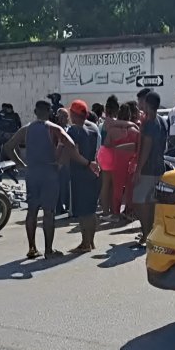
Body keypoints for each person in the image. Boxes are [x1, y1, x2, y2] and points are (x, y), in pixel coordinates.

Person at [5, 100, 77, 259]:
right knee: (48, 212)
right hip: (49, 173)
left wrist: (21, 164)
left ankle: (32, 248)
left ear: (35, 112)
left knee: (32, 211)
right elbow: (71, 144)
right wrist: (61, 163)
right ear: (49, 112)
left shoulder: (26, 129)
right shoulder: (54, 128)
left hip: (32, 173)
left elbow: (8, 147)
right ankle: (48, 250)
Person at [65, 100, 103, 253]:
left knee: (83, 211)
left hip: (81, 172)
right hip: (94, 172)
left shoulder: (73, 130)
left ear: (73, 114)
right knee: (91, 210)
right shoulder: (93, 127)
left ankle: (85, 243)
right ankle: (90, 242)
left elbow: (73, 153)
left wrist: (87, 163)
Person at [133, 91, 169, 246]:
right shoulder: (163, 120)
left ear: (147, 104)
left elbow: (146, 147)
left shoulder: (150, 123)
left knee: (140, 201)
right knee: (152, 202)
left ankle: (146, 234)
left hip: (148, 167)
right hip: (159, 165)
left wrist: (138, 169)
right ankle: (150, 234)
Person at [104, 102, 140, 218]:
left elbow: (106, 145)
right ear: (129, 115)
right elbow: (139, 147)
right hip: (132, 161)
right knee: (130, 188)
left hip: (118, 161)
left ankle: (116, 212)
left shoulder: (112, 130)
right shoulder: (135, 130)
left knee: (117, 188)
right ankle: (129, 211)